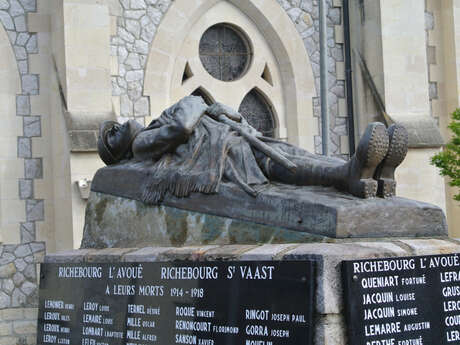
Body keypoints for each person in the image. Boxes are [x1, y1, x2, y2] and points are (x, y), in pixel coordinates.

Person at [97, 96, 408, 203]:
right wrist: (194, 103)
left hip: (236, 136)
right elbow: (182, 128)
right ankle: (349, 174)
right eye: (111, 137)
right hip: (225, 153)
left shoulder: (149, 128)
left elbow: (210, 116)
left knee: (293, 154)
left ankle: (370, 171)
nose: (117, 128)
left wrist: (221, 111)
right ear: (121, 151)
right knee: (283, 166)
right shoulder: (140, 145)